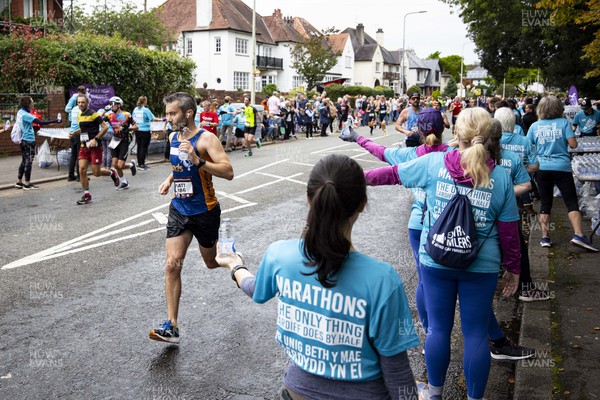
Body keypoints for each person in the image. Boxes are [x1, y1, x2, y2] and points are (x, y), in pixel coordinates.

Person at [219, 154, 421, 400]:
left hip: (297, 392)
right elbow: (398, 374)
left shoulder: (279, 255)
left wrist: (235, 266)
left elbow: (256, 289)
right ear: (362, 203)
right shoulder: (383, 280)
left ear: (309, 199)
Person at [363, 108, 521, 400]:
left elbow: (392, 174)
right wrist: (513, 269)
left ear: (457, 133)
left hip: (435, 260)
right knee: (475, 335)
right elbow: (509, 231)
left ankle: (434, 393)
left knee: (438, 330)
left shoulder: (433, 163)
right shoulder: (500, 179)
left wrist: (355, 178)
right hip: (481, 266)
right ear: (488, 137)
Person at [340, 107, 450, 339]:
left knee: (424, 279)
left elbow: (381, 153)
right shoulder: (452, 156)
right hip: (447, 226)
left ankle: (430, 331)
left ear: (418, 130)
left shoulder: (412, 155)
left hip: (418, 225)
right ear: (443, 128)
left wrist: (357, 137)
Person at [149, 92, 234, 344]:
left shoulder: (206, 139)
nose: (168, 118)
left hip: (205, 211)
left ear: (187, 113)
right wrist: (169, 179)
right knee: (172, 264)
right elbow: (180, 166)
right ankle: (172, 326)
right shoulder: (174, 137)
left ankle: (234, 261)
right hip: (179, 209)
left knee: (211, 262)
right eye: (167, 113)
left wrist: (199, 162)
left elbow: (228, 171)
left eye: (172, 113)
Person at [527, 96, 598, 252]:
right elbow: (573, 144)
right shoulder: (564, 123)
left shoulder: (534, 126)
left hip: (542, 168)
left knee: (545, 204)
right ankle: (579, 234)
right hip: (562, 167)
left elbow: (528, 146)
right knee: (571, 201)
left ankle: (545, 238)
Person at [70, 95, 119, 204]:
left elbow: (105, 127)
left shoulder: (94, 114)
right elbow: (83, 129)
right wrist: (74, 132)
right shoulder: (79, 115)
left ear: (87, 103)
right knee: (81, 169)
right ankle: (87, 195)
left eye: (82, 102)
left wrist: (96, 139)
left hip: (95, 147)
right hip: (84, 146)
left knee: (96, 172)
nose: (80, 104)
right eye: (78, 102)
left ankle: (112, 173)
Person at [14, 96, 60, 190]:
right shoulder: (27, 115)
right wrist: (56, 120)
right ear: (28, 104)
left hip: (22, 140)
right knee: (29, 162)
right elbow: (41, 122)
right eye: (32, 102)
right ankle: (27, 184)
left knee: (24, 161)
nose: (33, 103)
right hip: (28, 140)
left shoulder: (20, 112)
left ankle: (19, 182)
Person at [103, 96, 138, 190]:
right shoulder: (109, 115)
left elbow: (136, 126)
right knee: (115, 164)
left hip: (124, 141)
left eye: (112, 104)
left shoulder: (127, 115)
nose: (111, 106)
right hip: (114, 140)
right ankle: (124, 182)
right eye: (110, 104)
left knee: (120, 165)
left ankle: (131, 165)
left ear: (118, 105)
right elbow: (99, 120)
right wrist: (104, 110)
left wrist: (129, 128)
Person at [132, 96, 162, 170]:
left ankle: (139, 164)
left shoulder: (135, 109)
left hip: (137, 130)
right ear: (145, 101)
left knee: (139, 147)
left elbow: (133, 120)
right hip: (145, 131)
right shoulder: (146, 110)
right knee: (144, 148)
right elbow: (153, 118)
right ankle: (142, 164)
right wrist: (162, 119)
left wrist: (133, 130)